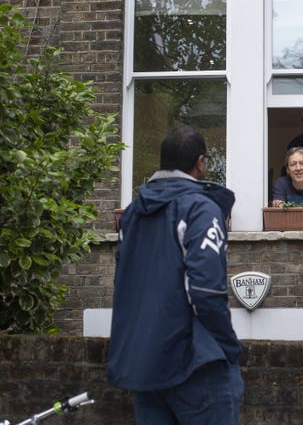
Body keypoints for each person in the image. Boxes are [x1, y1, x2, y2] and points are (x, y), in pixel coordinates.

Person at [107, 125, 244, 425]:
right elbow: (206, 293)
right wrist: (230, 347)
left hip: (144, 366)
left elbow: (122, 285)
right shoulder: (201, 209)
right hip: (195, 365)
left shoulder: (131, 216)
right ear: (200, 162)